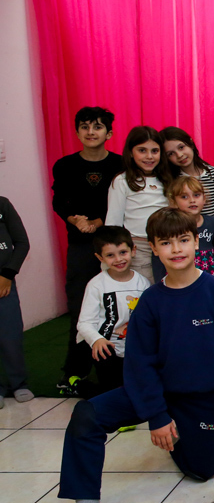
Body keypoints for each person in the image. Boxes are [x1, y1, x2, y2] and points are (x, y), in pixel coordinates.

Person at [39, 208, 214, 503]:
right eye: (166, 243)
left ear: (196, 242)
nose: (176, 249)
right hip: (156, 392)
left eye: (183, 240)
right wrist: (157, 415)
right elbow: (139, 364)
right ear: (153, 248)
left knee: (202, 471)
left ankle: (181, 433)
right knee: (86, 415)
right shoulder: (150, 301)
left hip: (201, 398)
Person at [52, 106, 125, 396]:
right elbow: (60, 201)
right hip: (82, 246)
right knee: (82, 308)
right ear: (77, 131)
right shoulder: (65, 165)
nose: (90, 132)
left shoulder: (121, 164)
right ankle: (74, 373)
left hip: (116, 244)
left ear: (109, 133)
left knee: (123, 306)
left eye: (97, 126)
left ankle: (123, 368)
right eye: (84, 126)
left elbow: (123, 201)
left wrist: (98, 222)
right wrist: (76, 220)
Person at [75, 226, 150, 393]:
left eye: (123, 252)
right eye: (110, 255)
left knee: (138, 388)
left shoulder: (143, 284)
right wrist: (97, 340)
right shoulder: (96, 285)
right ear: (100, 257)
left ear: (133, 250)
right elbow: (84, 323)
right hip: (106, 347)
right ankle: (82, 388)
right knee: (113, 391)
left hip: (133, 347)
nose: (118, 259)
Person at [105, 125, 168, 281]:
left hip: (167, 244)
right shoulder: (122, 181)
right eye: (142, 150)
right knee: (144, 288)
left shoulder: (167, 179)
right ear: (130, 153)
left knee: (168, 288)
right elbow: (113, 223)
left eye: (155, 151)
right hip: (139, 248)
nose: (149, 156)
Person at [153, 176, 214, 282]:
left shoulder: (213, 222)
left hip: (210, 276)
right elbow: (158, 257)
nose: (192, 200)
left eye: (196, 195)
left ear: (204, 198)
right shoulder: (169, 227)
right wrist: (160, 281)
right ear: (174, 202)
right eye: (184, 197)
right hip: (179, 280)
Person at [160, 126, 214, 219]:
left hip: (212, 228)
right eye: (171, 154)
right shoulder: (170, 179)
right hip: (183, 228)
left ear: (191, 143)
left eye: (181, 147)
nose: (179, 155)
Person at [0, 196, 32, 404]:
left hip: (3, 284)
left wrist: (7, 275)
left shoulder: (2, 204)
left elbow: (22, 243)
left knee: (10, 334)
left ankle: (19, 383)